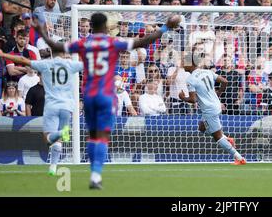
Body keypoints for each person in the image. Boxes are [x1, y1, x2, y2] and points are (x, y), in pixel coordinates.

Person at [34, 12, 181, 189]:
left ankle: (92, 171)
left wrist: (41, 30)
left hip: (88, 95)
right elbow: (142, 42)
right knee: (102, 137)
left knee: (92, 135)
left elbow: (54, 44)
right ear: (105, 26)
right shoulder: (113, 42)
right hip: (106, 95)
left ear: (91, 26)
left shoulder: (83, 43)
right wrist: (165, 28)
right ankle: (95, 176)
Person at [0, 48, 83, 176]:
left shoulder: (46, 64)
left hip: (51, 106)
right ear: (64, 53)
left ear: (52, 53)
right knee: (59, 141)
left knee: (48, 139)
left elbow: (22, 59)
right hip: (67, 107)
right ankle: (53, 166)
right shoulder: (71, 64)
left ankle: (58, 144)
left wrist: (3, 54)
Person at [179, 47, 246, 165]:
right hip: (216, 105)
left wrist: (182, 97)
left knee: (217, 137)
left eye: (184, 62)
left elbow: (193, 100)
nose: (182, 64)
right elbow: (225, 81)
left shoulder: (190, 79)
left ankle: (239, 158)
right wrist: (218, 94)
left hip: (209, 110)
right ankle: (227, 139)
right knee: (201, 127)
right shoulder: (207, 71)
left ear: (191, 63)